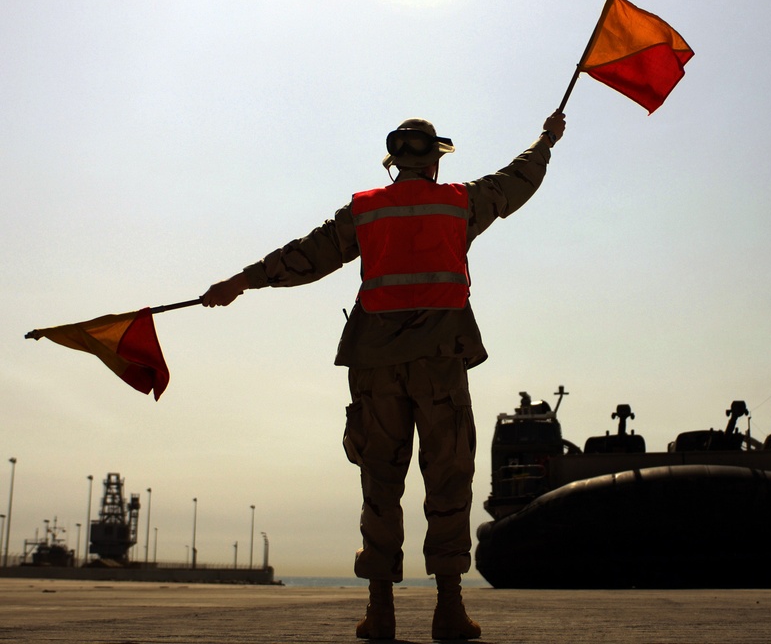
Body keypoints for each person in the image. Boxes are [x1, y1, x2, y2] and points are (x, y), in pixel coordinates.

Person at [202, 110, 566, 641]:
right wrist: (546, 139)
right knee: (448, 481)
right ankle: (448, 609)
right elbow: (519, 179)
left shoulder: (366, 209)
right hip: (439, 363)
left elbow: (307, 255)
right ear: (436, 161)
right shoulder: (461, 202)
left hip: (374, 366)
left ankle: (380, 611)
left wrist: (242, 281)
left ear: (393, 161)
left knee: (380, 484)